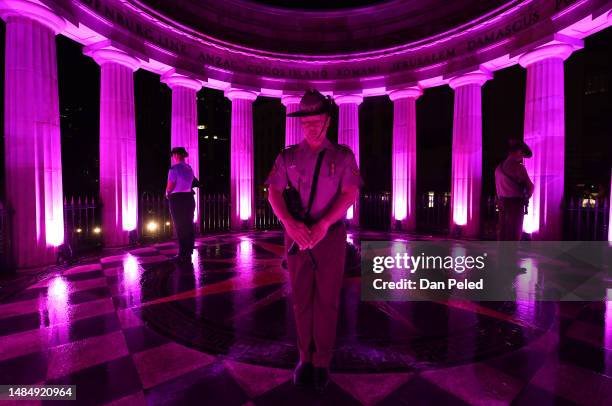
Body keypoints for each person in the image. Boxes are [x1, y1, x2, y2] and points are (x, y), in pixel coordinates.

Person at [265, 89, 363, 393]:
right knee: (301, 301)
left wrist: (323, 224)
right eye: (305, 121)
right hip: (296, 237)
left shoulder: (343, 156)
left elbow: (350, 193)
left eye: (316, 121)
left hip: (329, 237)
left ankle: (322, 362)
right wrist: (290, 224)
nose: (310, 127)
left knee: (327, 302)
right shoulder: (287, 156)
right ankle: (304, 358)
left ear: (328, 121)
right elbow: (273, 192)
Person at [495, 140, 534, 241]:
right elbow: (530, 186)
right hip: (515, 204)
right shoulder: (519, 168)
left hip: (502, 203)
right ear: (519, 152)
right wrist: (527, 196)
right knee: (514, 233)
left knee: (503, 231)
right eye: (522, 155)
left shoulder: (498, 168)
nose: (521, 159)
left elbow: (498, 190)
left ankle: (502, 255)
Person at [166, 147, 197, 262]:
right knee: (188, 225)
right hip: (189, 198)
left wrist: (167, 193)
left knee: (180, 226)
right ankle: (189, 250)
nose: (173, 157)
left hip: (177, 199)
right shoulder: (189, 168)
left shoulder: (174, 169)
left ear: (176, 155)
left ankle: (182, 253)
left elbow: (170, 186)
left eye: (173, 155)